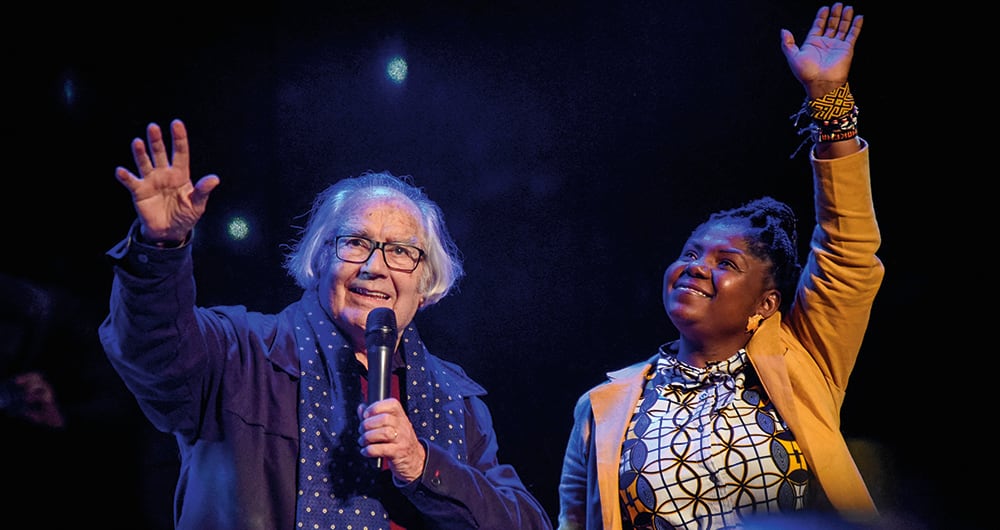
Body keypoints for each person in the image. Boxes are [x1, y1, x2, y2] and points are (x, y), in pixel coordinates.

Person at [99, 122, 553, 528]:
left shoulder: (456, 402)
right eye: (355, 242)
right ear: (319, 260)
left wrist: (423, 464)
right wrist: (161, 249)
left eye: (400, 251)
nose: (375, 267)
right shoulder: (241, 353)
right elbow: (153, 348)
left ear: (426, 285)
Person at [557, 3, 883, 529]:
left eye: (725, 262)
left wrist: (830, 107)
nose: (695, 267)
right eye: (690, 253)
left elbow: (847, 251)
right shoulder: (602, 407)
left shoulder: (804, 361)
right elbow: (574, 522)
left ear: (766, 303)